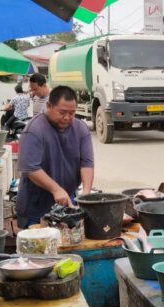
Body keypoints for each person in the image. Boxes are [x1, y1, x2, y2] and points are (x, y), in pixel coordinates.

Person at [17, 86, 94, 228]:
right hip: (35, 206)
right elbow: (31, 169)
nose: (67, 117)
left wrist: (86, 193)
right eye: (62, 112)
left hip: (67, 199)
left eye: (72, 113)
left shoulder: (81, 129)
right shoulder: (34, 130)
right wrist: (56, 189)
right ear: (49, 106)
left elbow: (86, 163)